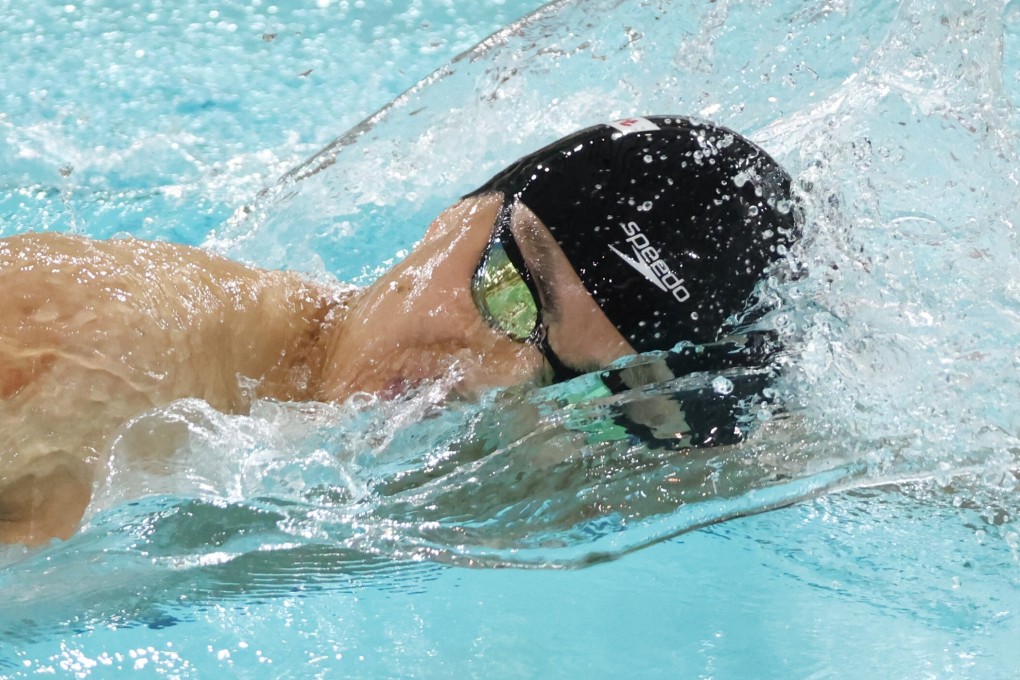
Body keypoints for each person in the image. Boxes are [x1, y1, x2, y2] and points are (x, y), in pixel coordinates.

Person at [0, 115, 796, 545]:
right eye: (509, 291)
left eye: (573, 384)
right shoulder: (96, 349)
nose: (491, 378)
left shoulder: (523, 464)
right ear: (460, 212)